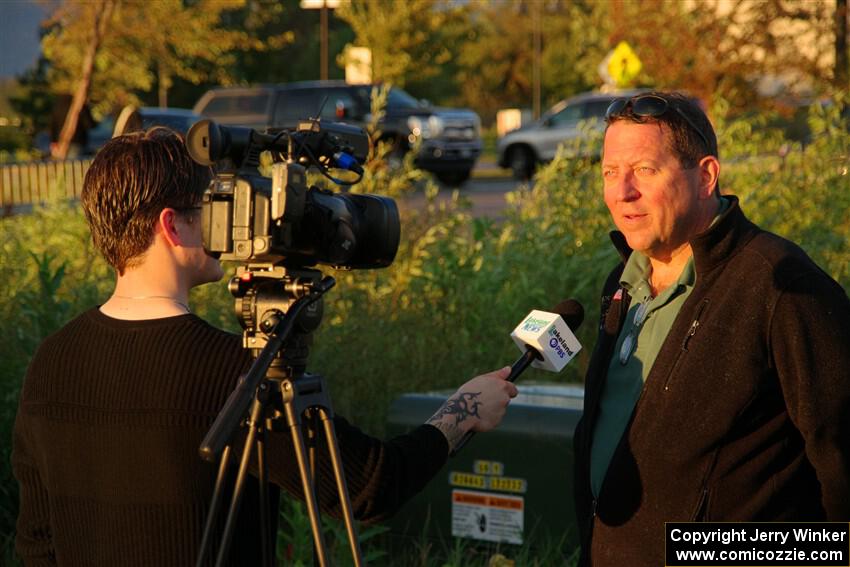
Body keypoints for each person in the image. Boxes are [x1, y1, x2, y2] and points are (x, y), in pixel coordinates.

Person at [12, 127, 518, 566]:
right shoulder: (233, 373)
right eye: (210, 208)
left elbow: (36, 543)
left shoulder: (50, 360)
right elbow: (368, 488)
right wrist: (463, 412)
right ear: (170, 225)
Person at [573, 92, 850, 567]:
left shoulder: (781, 286)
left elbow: (842, 464)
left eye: (644, 170)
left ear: (704, 177)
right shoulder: (623, 282)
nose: (622, 193)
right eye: (610, 173)